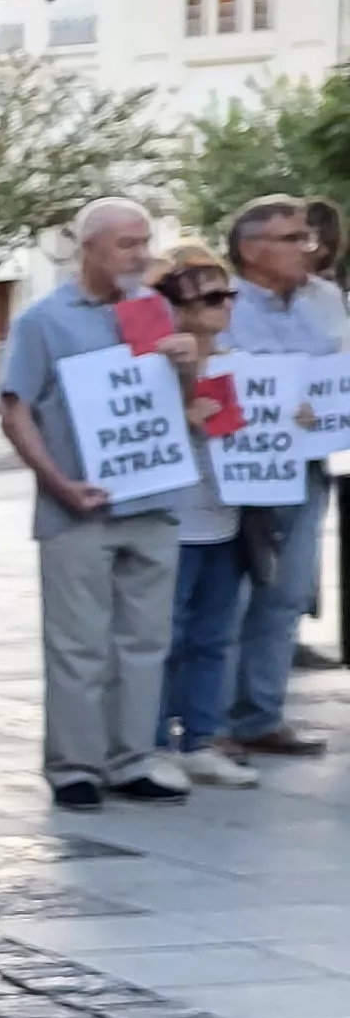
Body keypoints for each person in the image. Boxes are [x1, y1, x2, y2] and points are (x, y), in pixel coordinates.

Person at [0, 198, 198, 810]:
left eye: (144, 242)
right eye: (126, 244)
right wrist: (57, 481)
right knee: (79, 641)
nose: (139, 255)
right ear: (88, 248)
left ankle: (131, 756)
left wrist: (189, 366)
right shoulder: (44, 321)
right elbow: (15, 408)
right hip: (78, 507)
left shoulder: (154, 310)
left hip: (153, 498)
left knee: (144, 639)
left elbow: (174, 403)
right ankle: (75, 766)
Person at [220, 194, 341, 759]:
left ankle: (262, 715)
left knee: (289, 592)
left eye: (307, 238)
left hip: (310, 465)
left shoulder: (324, 298)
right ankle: (212, 720)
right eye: (293, 239)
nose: (307, 248)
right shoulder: (222, 301)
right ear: (251, 250)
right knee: (234, 594)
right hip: (246, 470)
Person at [151, 243, 262, 790]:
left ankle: (201, 739)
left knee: (215, 636)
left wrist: (300, 420)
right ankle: (153, 743)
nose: (225, 305)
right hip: (171, 521)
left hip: (228, 519)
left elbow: (266, 430)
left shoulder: (245, 363)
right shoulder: (154, 365)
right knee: (163, 637)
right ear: (175, 306)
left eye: (228, 294)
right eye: (210, 297)